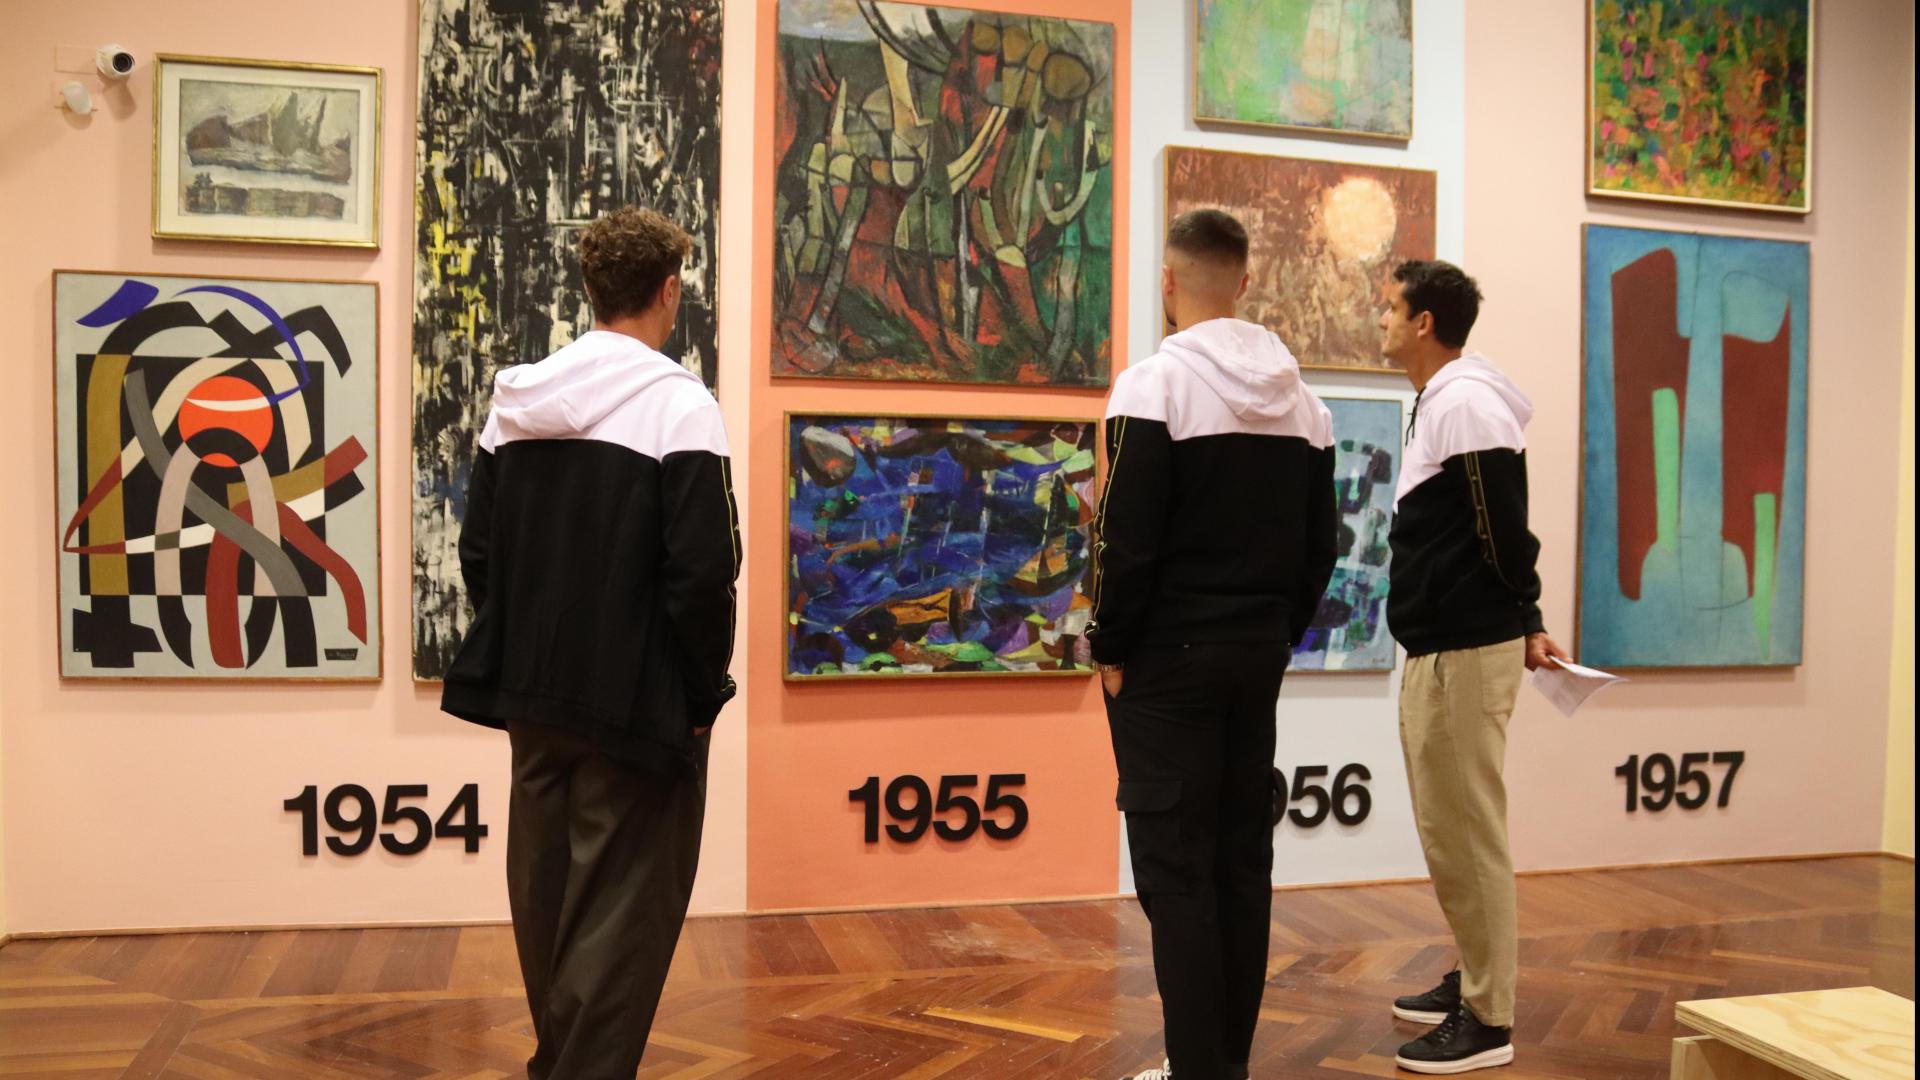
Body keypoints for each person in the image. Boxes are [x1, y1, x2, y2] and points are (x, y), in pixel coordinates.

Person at [440, 206, 739, 1079]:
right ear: (669, 290)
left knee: (546, 901)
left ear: (590, 288)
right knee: (620, 922)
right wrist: (700, 696)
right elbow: (702, 576)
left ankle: (556, 1065)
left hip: (533, 702)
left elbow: (479, 554)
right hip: (636, 707)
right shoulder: (681, 405)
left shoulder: (517, 404)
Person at [1091, 208, 1338, 1080]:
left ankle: (1198, 1070)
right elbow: (1321, 548)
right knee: (1240, 865)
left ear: (1168, 283)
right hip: (1255, 659)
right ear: (1244, 282)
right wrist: (1276, 632)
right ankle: (1220, 1064)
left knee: (1176, 874)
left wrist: (1109, 645)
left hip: (1166, 666)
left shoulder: (1152, 388)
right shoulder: (1305, 406)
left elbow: (1125, 538)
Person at [1375, 260, 1569, 1074]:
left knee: (1468, 830)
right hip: (1443, 644)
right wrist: (1526, 618)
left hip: (1463, 646)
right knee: (1447, 829)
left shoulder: (1466, 402)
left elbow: (1502, 525)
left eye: (1390, 308)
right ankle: (1477, 977)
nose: (1380, 320)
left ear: (1424, 322)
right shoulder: (1444, 400)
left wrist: (1526, 614)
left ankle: (1490, 1017)